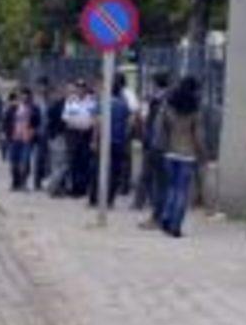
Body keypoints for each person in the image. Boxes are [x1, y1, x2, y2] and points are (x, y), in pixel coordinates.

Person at [158, 76, 209, 238]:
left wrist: (163, 146)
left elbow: (161, 128)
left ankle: (166, 216)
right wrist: (203, 154)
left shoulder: (169, 106)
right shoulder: (195, 110)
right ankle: (175, 226)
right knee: (182, 191)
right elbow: (199, 136)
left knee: (171, 187)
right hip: (187, 154)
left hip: (170, 152)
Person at [88, 78, 131, 208]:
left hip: (103, 141)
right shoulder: (123, 105)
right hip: (118, 141)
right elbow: (129, 123)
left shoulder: (102, 103)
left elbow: (97, 123)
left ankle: (94, 198)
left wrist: (94, 140)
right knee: (115, 171)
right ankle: (110, 199)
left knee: (98, 169)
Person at [135, 71, 171, 221]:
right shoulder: (166, 98)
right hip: (162, 143)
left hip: (154, 142)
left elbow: (148, 121)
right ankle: (150, 202)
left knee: (150, 174)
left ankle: (147, 204)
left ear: (155, 84)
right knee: (156, 176)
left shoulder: (155, 101)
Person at [61, 81, 97, 197]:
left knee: (85, 161)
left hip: (86, 134)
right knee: (74, 161)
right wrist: (75, 122)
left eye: (82, 87)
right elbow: (65, 117)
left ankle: (83, 187)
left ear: (85, 89)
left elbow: (94, 118)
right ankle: (75, 187)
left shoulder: (91, 101)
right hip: (74, 134)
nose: (80, 90)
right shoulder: (71, 101)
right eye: (78, 87)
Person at [6, 89, 42, 191]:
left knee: (25, 161)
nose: (25, 98)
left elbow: (37, 122)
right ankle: (15, 182)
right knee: (14, 162)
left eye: (27, 96)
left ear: (30, 97)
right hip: (15, 138)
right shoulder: (14, 108)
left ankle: (23, 183)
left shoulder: (34, 108)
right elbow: (7, 120)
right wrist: (6, 133)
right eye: (23, 96)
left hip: (27, 139)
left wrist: (33, 131)